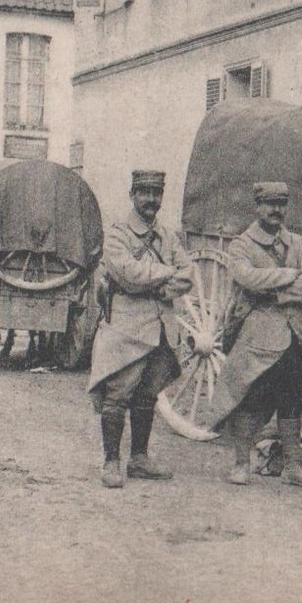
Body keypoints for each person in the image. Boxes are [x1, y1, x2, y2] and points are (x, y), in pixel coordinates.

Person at [205, 182, 302, 488]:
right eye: (269, 204)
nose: (276, 210)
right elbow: (246, 278)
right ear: (257, 207)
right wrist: (287, 275)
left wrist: (277, 292)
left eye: (282, 203)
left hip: (295, 332)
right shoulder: (242, 244)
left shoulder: (299, 243)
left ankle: (295, 466)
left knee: (293, 398)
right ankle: (242, 463)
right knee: (251, 395)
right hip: (257, 331)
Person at [86, 169, 193, 488]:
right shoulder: (119, 233)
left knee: (148, 394)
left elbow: (187, 274)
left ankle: (140, 458)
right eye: (144, 193)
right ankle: (111, 461)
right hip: (127, 327)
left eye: (156, 194)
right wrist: (165, 273)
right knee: (118, 394)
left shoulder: (167, 236)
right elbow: (125, 272)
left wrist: (161, 286)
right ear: (132, 195)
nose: (151, 200)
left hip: (160, 324)